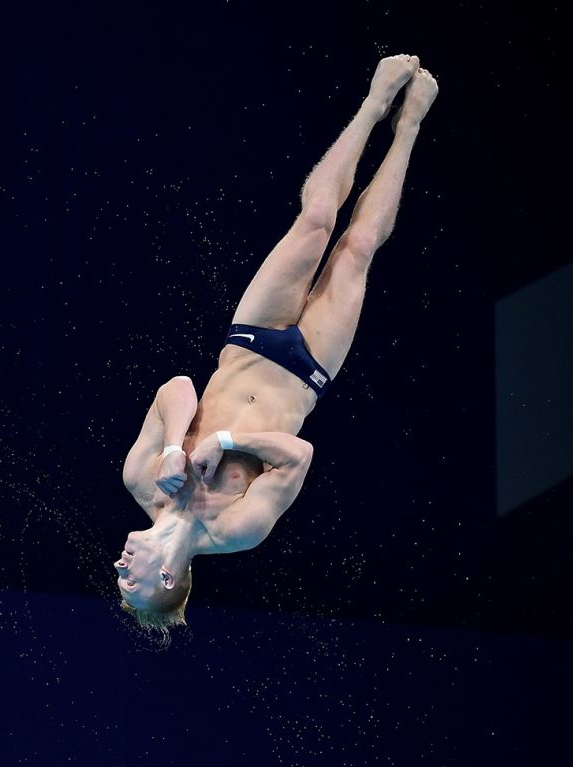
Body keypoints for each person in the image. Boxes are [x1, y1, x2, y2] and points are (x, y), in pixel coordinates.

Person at [115, 54, 438, 632]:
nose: (119, 563)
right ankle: (410, 123)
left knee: (316, 217)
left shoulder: (141, 479)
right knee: (358, 247)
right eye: (128, 578)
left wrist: (173, 446)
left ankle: (373, 103)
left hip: (249, 340)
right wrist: (229, 439)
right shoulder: (237, 530)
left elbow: (178, 386)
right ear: (167, 577)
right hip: (308, 370)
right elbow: (300, 455)